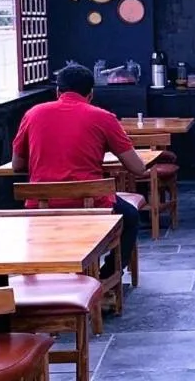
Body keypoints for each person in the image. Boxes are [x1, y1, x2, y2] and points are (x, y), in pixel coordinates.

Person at [11, 63, 147, 273]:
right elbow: (137, 168)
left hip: (41, 207)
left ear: (58, 91)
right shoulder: (103, 117)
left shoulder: (32, 114)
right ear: (91, 94)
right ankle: (108, 275)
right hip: (92, 206)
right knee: (130, 216)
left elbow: (17, 165)